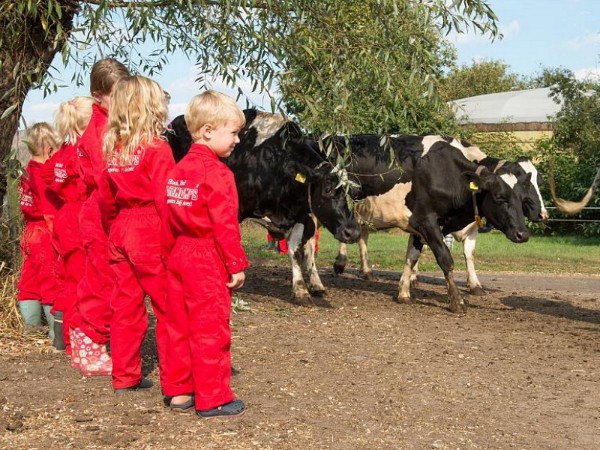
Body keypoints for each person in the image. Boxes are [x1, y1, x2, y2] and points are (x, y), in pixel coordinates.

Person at [162, 90, 248, 417]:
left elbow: (167, 216)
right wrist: (236, 265)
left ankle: (180, 391)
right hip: (205, 255)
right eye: (234, 132)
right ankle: (213, 397)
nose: (237, 140)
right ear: (209, 130)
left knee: (178, 325)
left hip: (178, 254)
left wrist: (167, 255)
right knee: (209, 327)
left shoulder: (178, 170)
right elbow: (225, 225)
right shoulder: (219, 174)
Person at [101, 75, 175, 393]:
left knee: (125, 307)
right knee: (168, 306)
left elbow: (105, 199)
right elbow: (165, 201)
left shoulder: (113, 150)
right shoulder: (158, 150)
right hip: (150, 228)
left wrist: (113, 232)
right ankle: (177, 379)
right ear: (152, 107)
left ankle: (124, 376)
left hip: (120, 227)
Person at [69, 58, 130, 377]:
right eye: (115, 96)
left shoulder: (103, 124)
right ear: (97, 95)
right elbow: (104, 178)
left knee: (96, 279)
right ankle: (91, 342)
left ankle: (85, 342)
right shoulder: (102, 129)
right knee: (102, 281)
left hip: (95, 211)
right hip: (102, 215)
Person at [42, 96, 94, 355]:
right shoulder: (81, 151)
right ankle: (76, 341)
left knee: (69, 277)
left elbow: (46, 173)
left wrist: (60, 191)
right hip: (80, 219)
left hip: (65, 217)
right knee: (82, 281)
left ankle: (65, 337)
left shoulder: (62, 150)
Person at [17, 122, 62, 341]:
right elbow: (48, 209)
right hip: (44, 232)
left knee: (30, 280)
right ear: (48, 148)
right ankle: (56, 333)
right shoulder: (43, 174)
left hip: (29, 232)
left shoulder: (26, 171)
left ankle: (31, 328)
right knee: (50, 280)